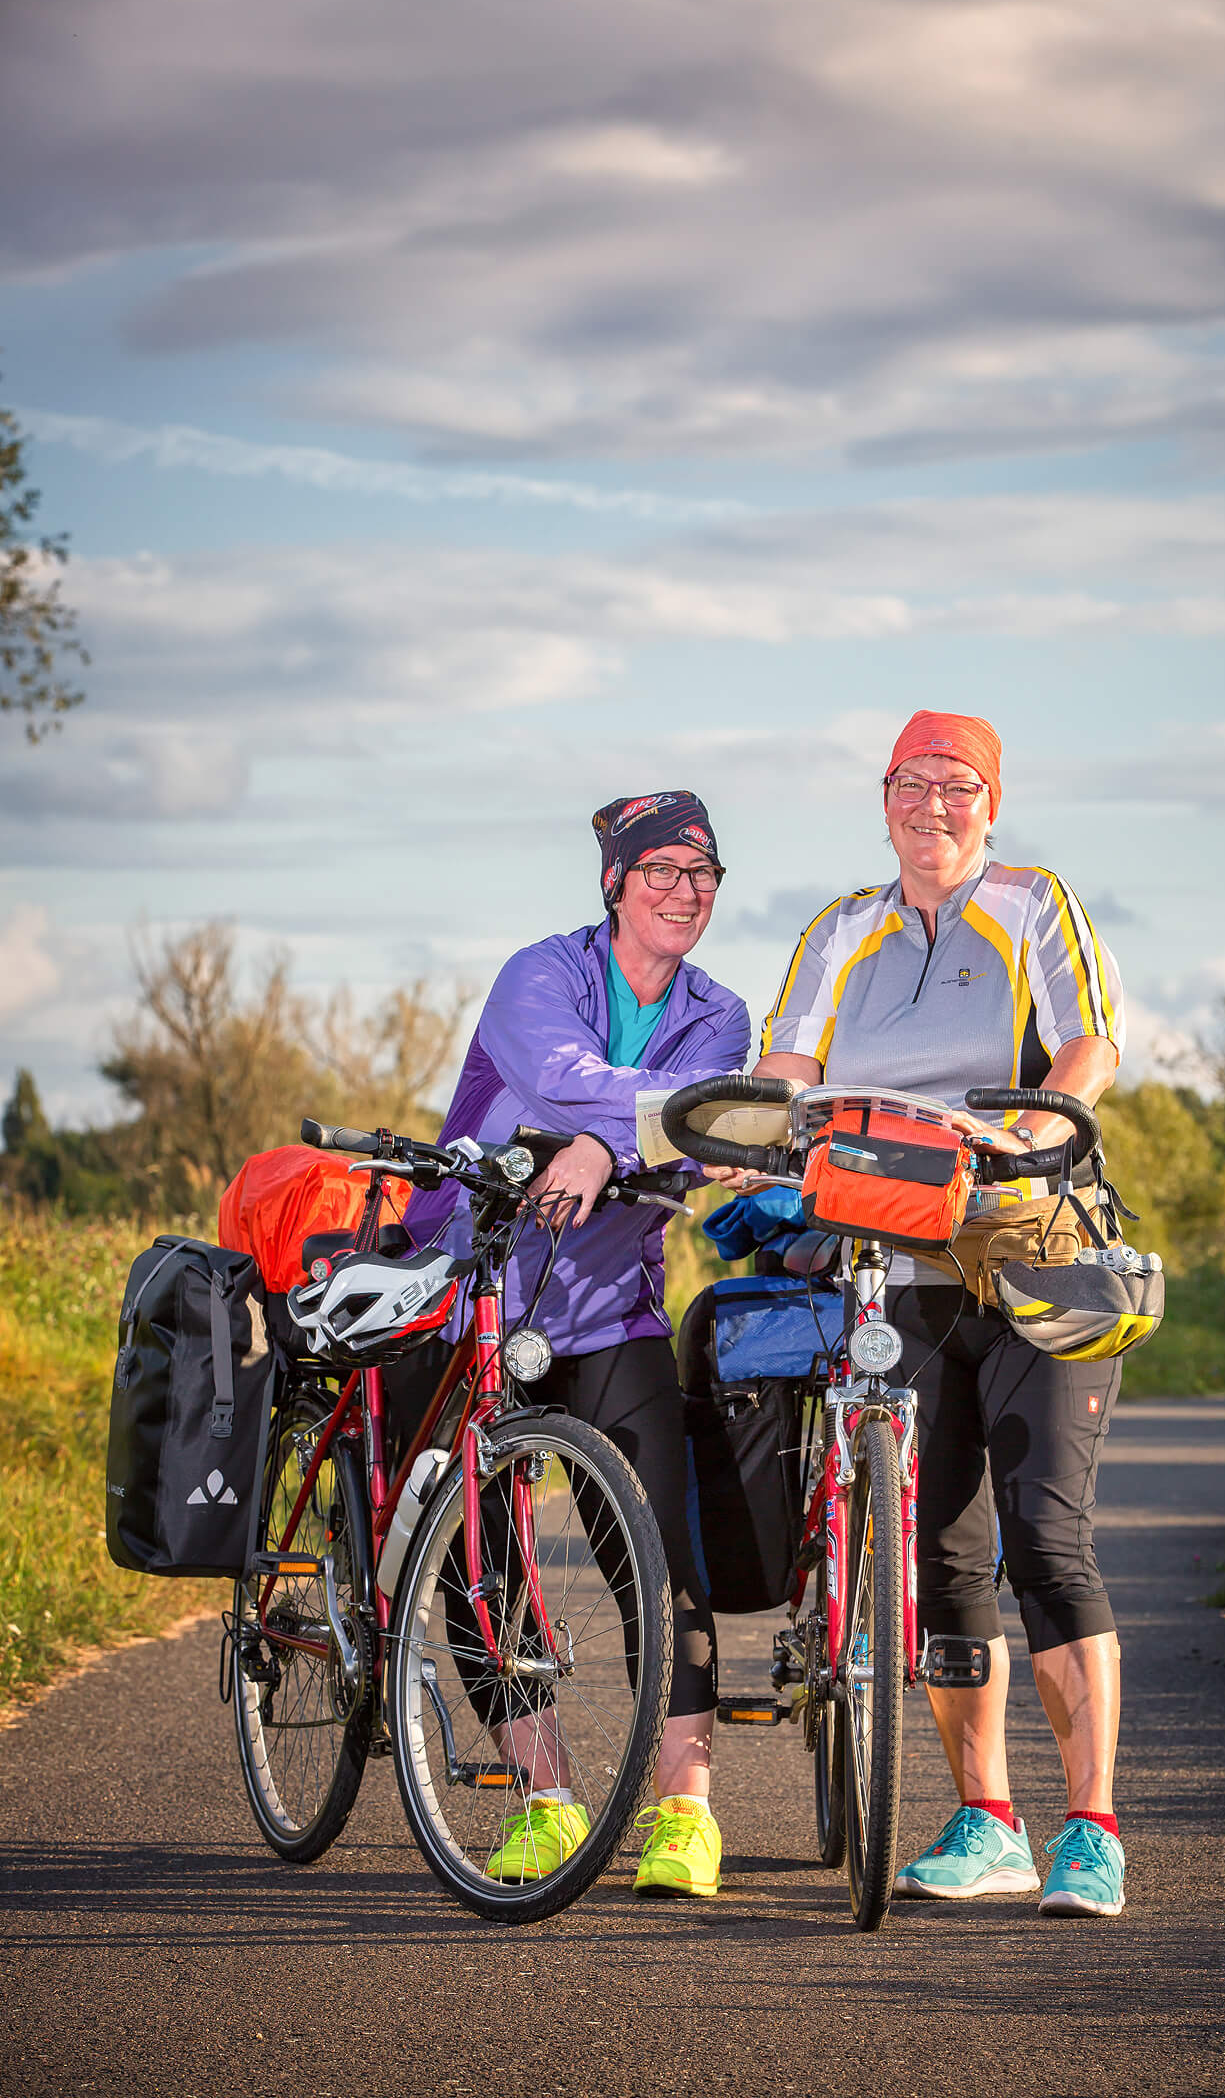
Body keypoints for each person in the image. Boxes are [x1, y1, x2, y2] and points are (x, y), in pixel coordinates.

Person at [721, 709, 1129, 1917]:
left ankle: (1093, 1828)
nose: (934, 805)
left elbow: (1089, 1043)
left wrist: (1040, 1129)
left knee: (1046, 1540)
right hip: (897, 1261)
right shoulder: (842, 926)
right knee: (942, 1554)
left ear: (990, 803)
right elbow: (788, 1066)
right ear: (883, 796)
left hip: (1028, 1254)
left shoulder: (1031, 902)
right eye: (913, 783)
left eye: (958, 785)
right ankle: (987, 1818)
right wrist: (757, 1139)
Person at [401, 789, 749, 1899]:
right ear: (613, 883)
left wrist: (602, 1151)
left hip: (613, 1311)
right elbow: (571, 1083)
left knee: (659, 1558)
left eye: (703, 875)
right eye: (662, 871)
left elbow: (709, 1135)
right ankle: (545, 1802)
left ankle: (685, 1813)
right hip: (486, 1300)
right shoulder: (536, 975)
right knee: (480, 1557)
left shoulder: (721, 1012)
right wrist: (630, 1135)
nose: (684, 892)